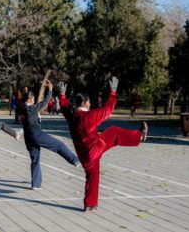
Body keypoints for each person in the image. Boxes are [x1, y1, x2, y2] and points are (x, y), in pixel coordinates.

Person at [58, 77, 148, 212]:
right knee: (114, 132)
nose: (90, 104)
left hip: (83, 155)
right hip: (95, 149)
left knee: (92, 176)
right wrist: (113, 92)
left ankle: (90, 204)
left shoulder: (72, 115)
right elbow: (107, 109)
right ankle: (139, 136)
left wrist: (62, 95)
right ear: (84, 102)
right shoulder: (88, 117)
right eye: (88, 101)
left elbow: (64, 105)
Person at [18, 80, 80, 190]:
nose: (34, 100)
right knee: (59, 145)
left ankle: (36, 184)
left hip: (28, 137)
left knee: (35, 160)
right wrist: (50, 90)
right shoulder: (31, 108)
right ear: (29, 99)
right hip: (36, 135)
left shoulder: (21, 108)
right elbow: (45, 102)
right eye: (33, 98)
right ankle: (74, 160)